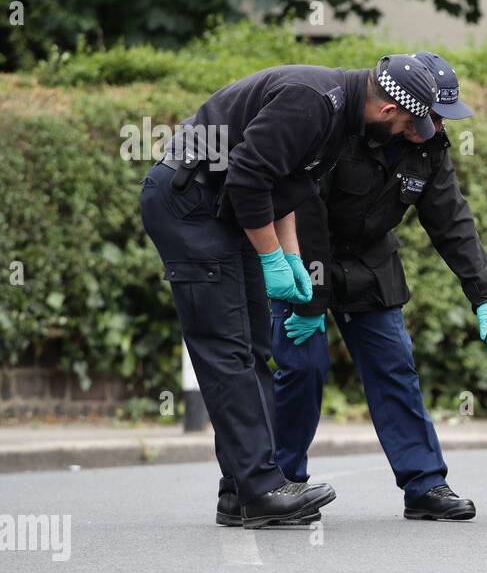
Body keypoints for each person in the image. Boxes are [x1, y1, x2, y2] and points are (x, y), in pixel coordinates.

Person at [140, 54, 441, 528]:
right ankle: (259, 489)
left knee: (256, 347)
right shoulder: (312, 101)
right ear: (387, 111)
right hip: (189, 203)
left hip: (224, 208)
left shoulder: (342, 119)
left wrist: (292, 258)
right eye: (407, 124)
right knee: (228, 349)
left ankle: (243, 490)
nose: (410, 133)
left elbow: (284, 187)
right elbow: (248, 174)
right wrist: (268, 258)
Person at [269, 51, 487, 521]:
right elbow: (307, 211)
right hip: (302, 254)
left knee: (394, 367)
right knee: (303, 367)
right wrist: (311, 299)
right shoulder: (340, 129)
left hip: (370, 263)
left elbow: (451, 222)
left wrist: (483, 295)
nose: (440, 128)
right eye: (434, 117)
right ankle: (281, 482)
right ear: (405, 107)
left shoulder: (428, 147)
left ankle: (425, 485)